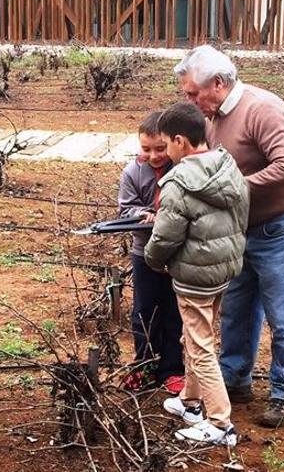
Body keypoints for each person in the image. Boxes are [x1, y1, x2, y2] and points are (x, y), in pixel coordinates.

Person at [174, 45, 284, 427]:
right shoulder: (212, 115)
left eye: (192, 93)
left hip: (281, 225)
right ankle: (235, 378)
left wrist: (233, 187)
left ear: (217, 84)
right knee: (237, 309)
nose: (189, 101)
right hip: (239, 229)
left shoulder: (262, 110)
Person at [144, 102, 249, 445]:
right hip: (222, 270)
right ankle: (190, 402)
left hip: (193, 277)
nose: (164, 152)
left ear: (179, 141)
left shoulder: (178, 182)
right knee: (194, 336)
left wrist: (153, 260)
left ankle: (220, 425)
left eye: (166, 144)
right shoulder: (225, 165)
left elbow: (165, 235)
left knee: (201, 347)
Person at [118, 111, 185, 394]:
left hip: (176, 254)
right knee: (144, 311)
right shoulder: (132, 172)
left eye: (160, 148)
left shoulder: (181, 169)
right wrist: (142, 214)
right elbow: (124, 209)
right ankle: (144, 366)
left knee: (174, 311)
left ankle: (172, 369)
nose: (155, 155)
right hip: (144, 252)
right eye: (146, 149)